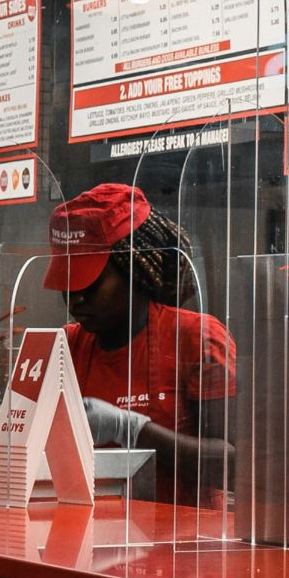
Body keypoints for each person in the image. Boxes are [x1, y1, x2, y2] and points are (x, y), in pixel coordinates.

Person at [40, 183, 236, 507]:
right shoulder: (67, 347)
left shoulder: (197, 339)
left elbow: (236, 466)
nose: (76, 299)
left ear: (134, 270)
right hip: (94, 531)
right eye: (67, 285)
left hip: (184, 535)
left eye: (89, 282)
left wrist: (131, 429)